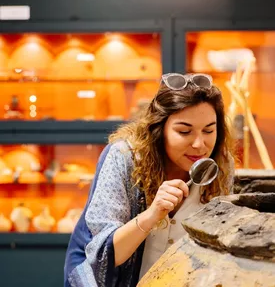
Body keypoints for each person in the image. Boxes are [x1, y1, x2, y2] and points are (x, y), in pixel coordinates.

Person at [64, 73, 235, 287]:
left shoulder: (220, 165)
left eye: (209, 130)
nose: (200, 144)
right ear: (159, 128)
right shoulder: (124, 158)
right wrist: (153, 214)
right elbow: (104, 255)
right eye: (184, 131)